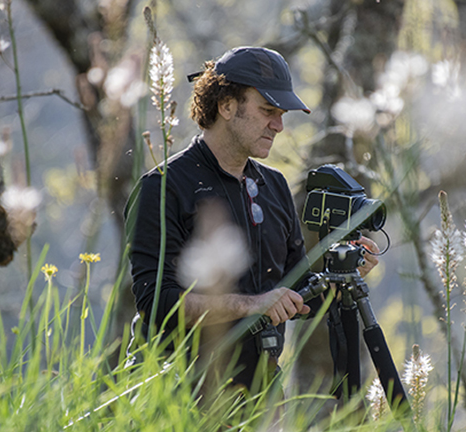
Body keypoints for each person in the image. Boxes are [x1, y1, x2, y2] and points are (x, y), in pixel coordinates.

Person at [126, 46, 380, 390]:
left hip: (259, 393)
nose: (278, 125)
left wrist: (340, 277)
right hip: (171, 391)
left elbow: (296, 289)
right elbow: (157, 303)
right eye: (267, 111)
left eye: (281, 114)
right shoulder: (162, 187)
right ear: (226, 105)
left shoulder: (273, 184)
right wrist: (252, 305)